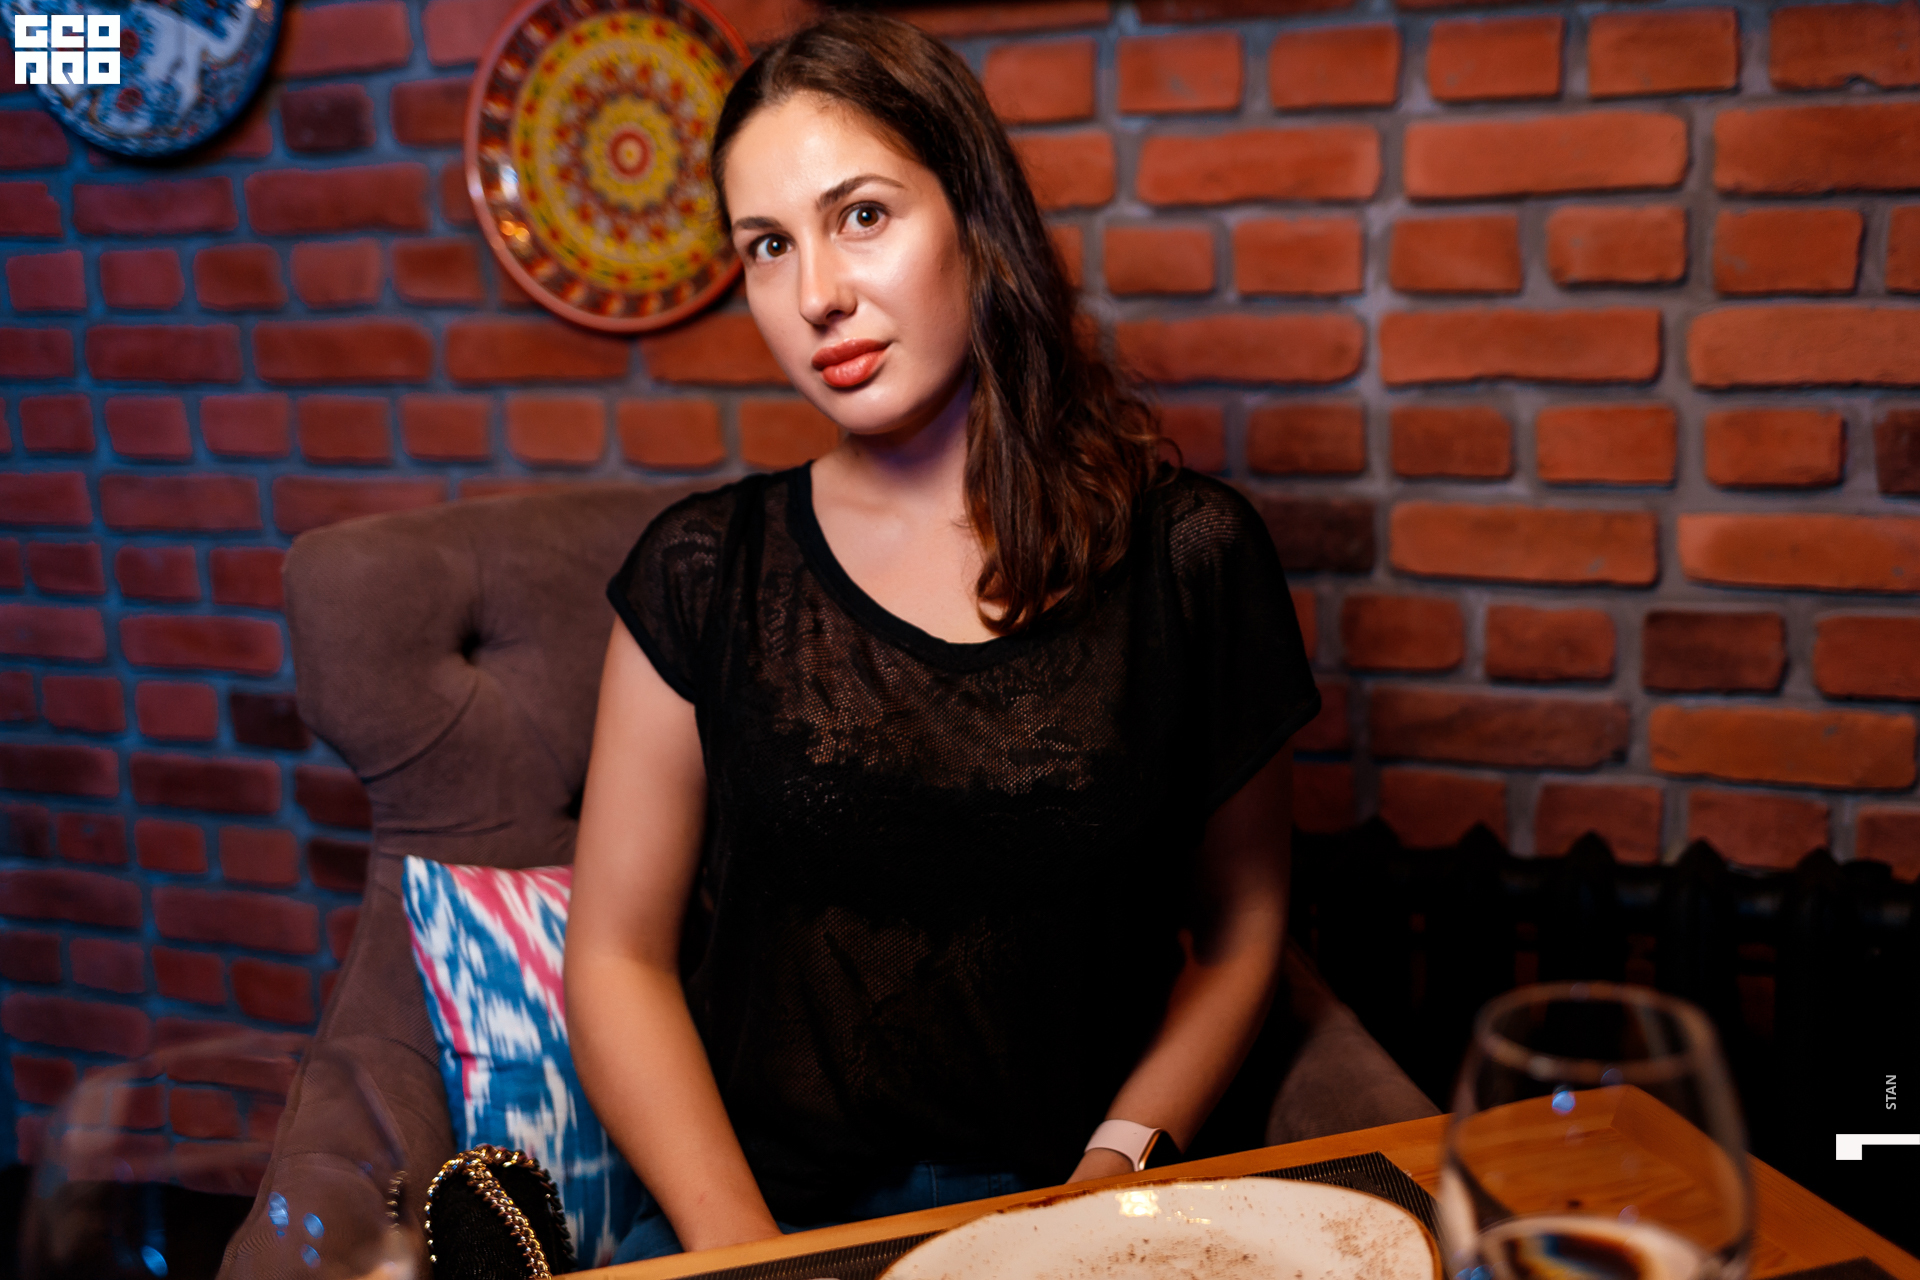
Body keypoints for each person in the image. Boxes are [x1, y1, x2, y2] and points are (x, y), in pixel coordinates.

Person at [564, 11, 1321, 1264]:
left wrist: (1112, 1173)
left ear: (975, 214)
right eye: (768, 245)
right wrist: (747, 1249)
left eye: (861, 215)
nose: (816, 294)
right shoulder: (705, 570)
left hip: (1076, 1218)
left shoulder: (1191, 556)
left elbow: (1242, 929)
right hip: (762, 1218)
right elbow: (616, 956)